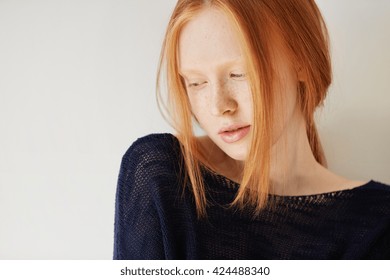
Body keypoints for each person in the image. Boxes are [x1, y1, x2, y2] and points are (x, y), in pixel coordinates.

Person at [113, 0, 390, 259]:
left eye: (238, 73)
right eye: (196, 83)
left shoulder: (378, 222)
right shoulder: (163, 176)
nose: (219, 106)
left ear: (301, 61)